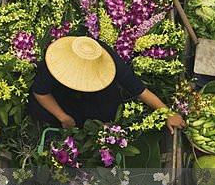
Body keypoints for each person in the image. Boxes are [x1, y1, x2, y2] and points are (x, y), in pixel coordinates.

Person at [28, 35, 186, 133]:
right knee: (38, 109)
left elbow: (140, 90)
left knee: (108, 111)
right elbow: (40, 92)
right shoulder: (57, 63)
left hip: (96, 92)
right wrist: (63, 118)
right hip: (60, 91)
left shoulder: (110, 62)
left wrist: (167, 113)